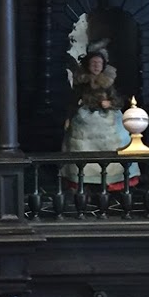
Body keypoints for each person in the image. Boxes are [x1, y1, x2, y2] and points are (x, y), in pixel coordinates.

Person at [61, 43, 128, 192]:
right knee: (80, 143)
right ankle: (83, 178)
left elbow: (119, 100)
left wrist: (110, 103)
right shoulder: (81, 82)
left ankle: (112, 178)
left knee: (116, 139)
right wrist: (69, 117)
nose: (96, 66)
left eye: (99, 63)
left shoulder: (108, 83)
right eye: (93, 63)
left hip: (107, 117)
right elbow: (72, 101)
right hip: (85, 116)